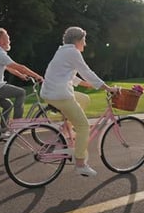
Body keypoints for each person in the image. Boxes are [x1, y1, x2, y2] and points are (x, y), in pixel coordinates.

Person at [40, 26, 120, 177]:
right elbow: (86, 71)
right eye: (84, 40)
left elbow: (66, 74)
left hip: (51, 92)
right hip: (60, 95)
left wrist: (86, 84)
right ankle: (80, 164)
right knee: (84, 126)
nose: (85, 43)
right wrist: (107, 88)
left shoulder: (63, 51)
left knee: (84, 98)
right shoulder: (73, 52)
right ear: (77, 40)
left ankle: (66, 128)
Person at [0, 28, 44, 128]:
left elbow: (8, 67)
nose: (9, 41)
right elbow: (20, 67)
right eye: (8, 38)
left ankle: (3, 130)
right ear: (2, 40)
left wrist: (21, 76)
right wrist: (37, 76)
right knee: (21, 93)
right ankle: (17, 124)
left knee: (8, 105)